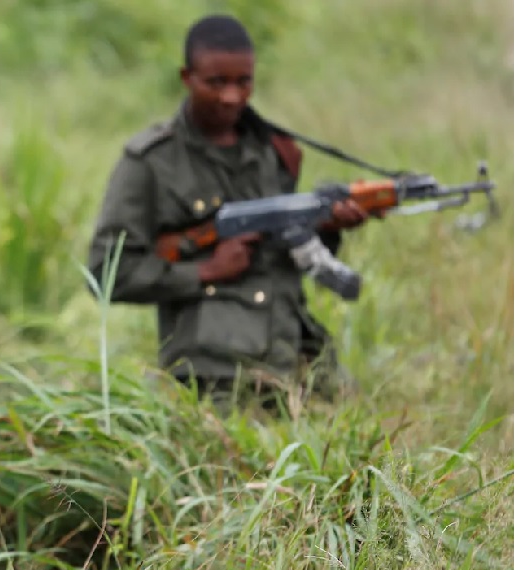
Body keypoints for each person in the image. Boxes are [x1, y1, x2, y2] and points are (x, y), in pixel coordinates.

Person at [87, 14, 371, 410]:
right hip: (212, 373)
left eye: (244, 82)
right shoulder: (151, 162)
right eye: (216, 82)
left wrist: (329, 228)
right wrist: (205, 271)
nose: (232, 97)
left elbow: (284, 257)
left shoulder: (273, 151)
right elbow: (106, 272)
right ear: (187, 78)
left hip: (296, 355)